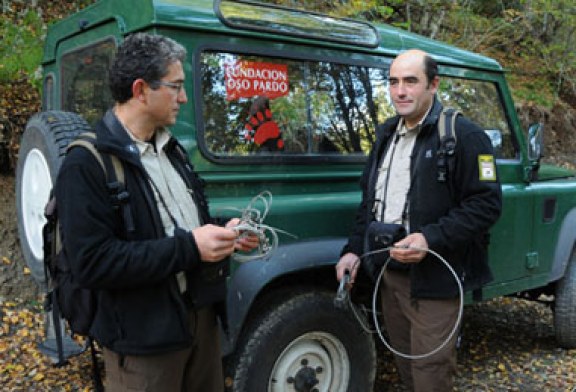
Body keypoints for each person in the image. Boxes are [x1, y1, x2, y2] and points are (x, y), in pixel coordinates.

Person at [56, 33, 258, 391]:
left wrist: (224, 232)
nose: (183, 97)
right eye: (175, 86)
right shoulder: (86, 163)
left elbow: (178, 226)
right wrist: (192, 247)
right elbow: (93, 262)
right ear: (140, 90)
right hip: (143, 342)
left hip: (200, 321)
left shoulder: (171, 149)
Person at [335, 49, 502, 391]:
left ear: (433, 84)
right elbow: (370, 203)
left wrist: (430, 238)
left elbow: (486, 204)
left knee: (430, 376)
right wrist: (353, 250)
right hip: (390, 277)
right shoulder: (385, 135)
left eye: (411, 81)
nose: (400, 91)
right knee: (407, 370)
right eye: (394, 82)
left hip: (435, 283)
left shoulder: (465, 137)